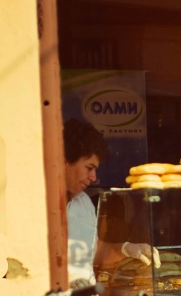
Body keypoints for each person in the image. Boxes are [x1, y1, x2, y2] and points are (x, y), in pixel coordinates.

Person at [64, 118, 159, 287]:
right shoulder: (35, 204)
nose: (93, 177)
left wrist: (127, 249)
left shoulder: (84, 202)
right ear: (64, 162)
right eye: (89, 168)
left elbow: (97, 252)